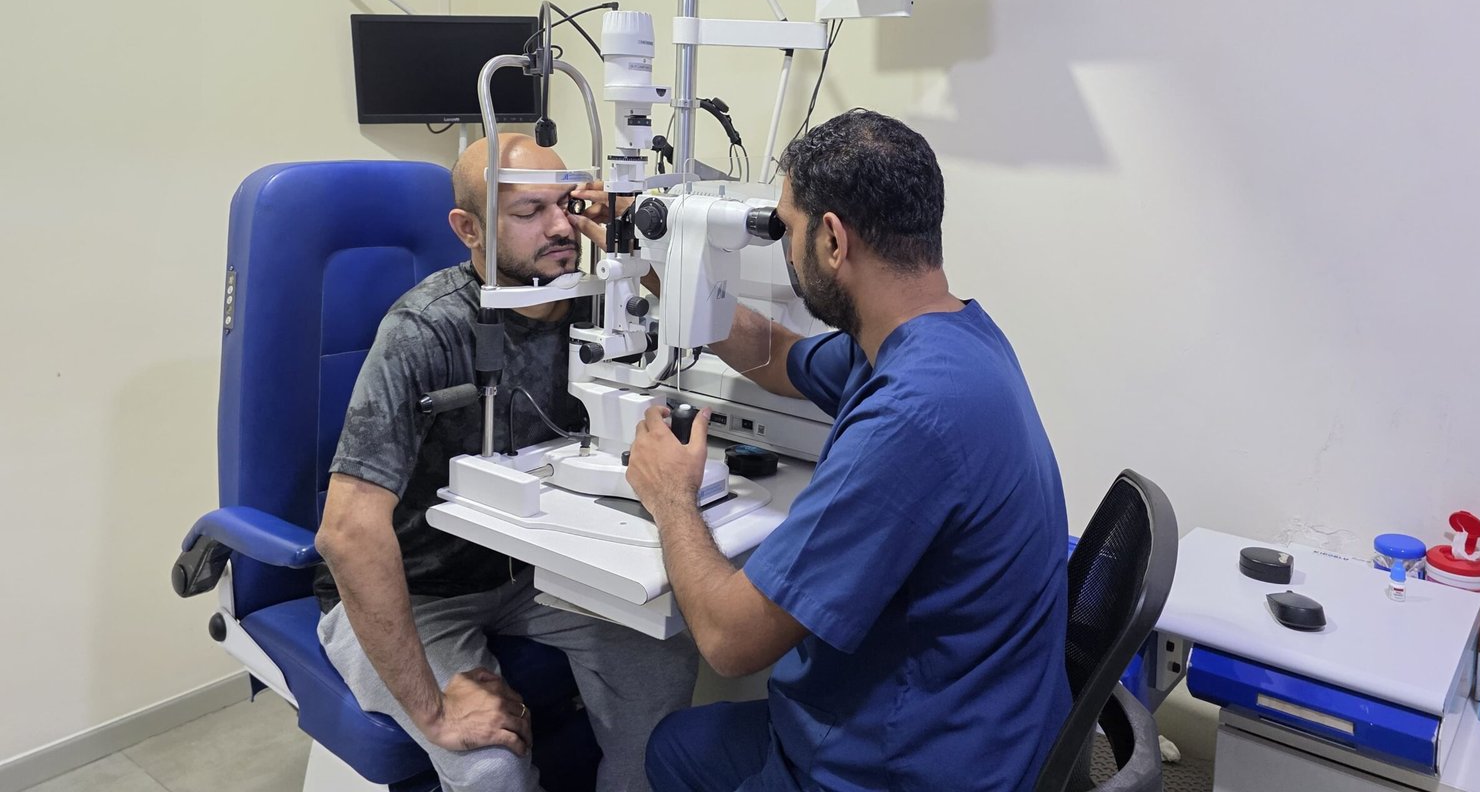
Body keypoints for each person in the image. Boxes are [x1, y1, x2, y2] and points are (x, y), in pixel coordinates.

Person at [629, 109, 1072, 792]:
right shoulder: (946, 337)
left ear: (833, 239)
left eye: (787, 228)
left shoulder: (912, 416)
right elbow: (780, 356)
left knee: (676, 746)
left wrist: (670, 495)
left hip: (912, 766)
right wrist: (658, 270)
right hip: (979, 715)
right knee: (684, 742)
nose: (784, 247)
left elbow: (728, 639)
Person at [314, 133, 697, 792]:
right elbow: (347, 532)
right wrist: (435, 713)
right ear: (469, 229)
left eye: (567, 205)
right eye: (529, 212)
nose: (560, 228)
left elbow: (688, 315)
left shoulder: (599, 303)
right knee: (491, 769)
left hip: (533, 574)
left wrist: (627, 247)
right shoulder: (426, 330)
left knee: (667, 659)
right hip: (418, 590)